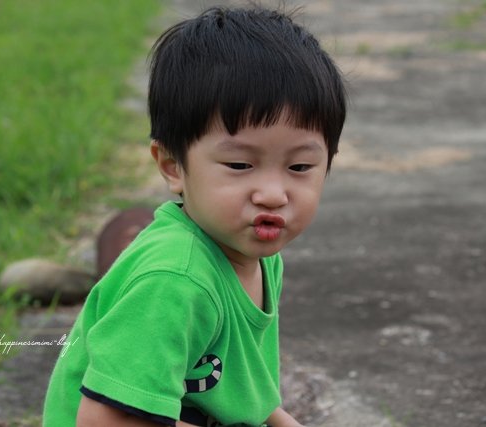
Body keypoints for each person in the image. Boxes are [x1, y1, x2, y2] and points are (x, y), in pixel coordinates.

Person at [43, 5, 346, 427]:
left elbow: (243, 390)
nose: (274, 195)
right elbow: (103, 421)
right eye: (240, 165)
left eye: (299, 167)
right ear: (172, 166)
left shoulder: (256, 256)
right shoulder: (175, 280)